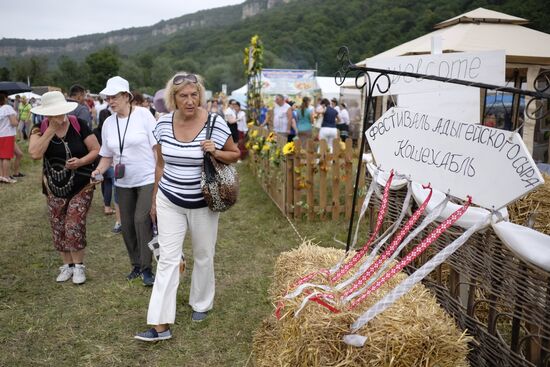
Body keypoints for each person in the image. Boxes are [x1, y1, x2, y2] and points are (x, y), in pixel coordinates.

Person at [135, 72, 239, 342]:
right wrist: (155, 200)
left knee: (203, 254)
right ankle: (160, 324)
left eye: (194, 95)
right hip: (169, 200)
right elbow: (160, 165)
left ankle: (201, 303)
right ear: (174, 98)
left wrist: (215, 151)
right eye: (183, 95)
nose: (190, 100)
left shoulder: (214, 123)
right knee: (168, 259)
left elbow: (235, 153)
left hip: (204, 202)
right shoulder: (163, 123)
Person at [90, 76, 157, 286]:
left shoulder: (144, 115)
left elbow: (157, 148)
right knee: (126, 225)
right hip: (123, 181)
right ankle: (135, 265)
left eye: (114, 97)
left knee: (141, 220)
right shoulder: (108, 123)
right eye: (108, 97)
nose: (110, 101)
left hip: (146, 177)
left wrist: (160, 176)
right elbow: (107, 155)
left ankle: (147, 269)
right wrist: (98, 171)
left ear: (127, 97)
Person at [28, 91, 100, 284]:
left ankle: (78, 267)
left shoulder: (79, 124)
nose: (58, 116)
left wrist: (81, 161)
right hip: (54, 186)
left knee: (74, 223)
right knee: (58, 226)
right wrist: (50, 130)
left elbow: (96, 149)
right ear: (46, 114)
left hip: (81, 184)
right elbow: (34, 153)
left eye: (60, 112)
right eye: (53, 113)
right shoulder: (39, 129)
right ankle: (67, 266)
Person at [0, 93, 19, 183]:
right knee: (6, 157)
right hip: (7, 134)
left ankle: (2, 176)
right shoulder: (7, 108)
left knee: (1, 157)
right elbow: (13, 123)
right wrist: (17, 120)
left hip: (1, 134)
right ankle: (6, 177)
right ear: (4, 98)